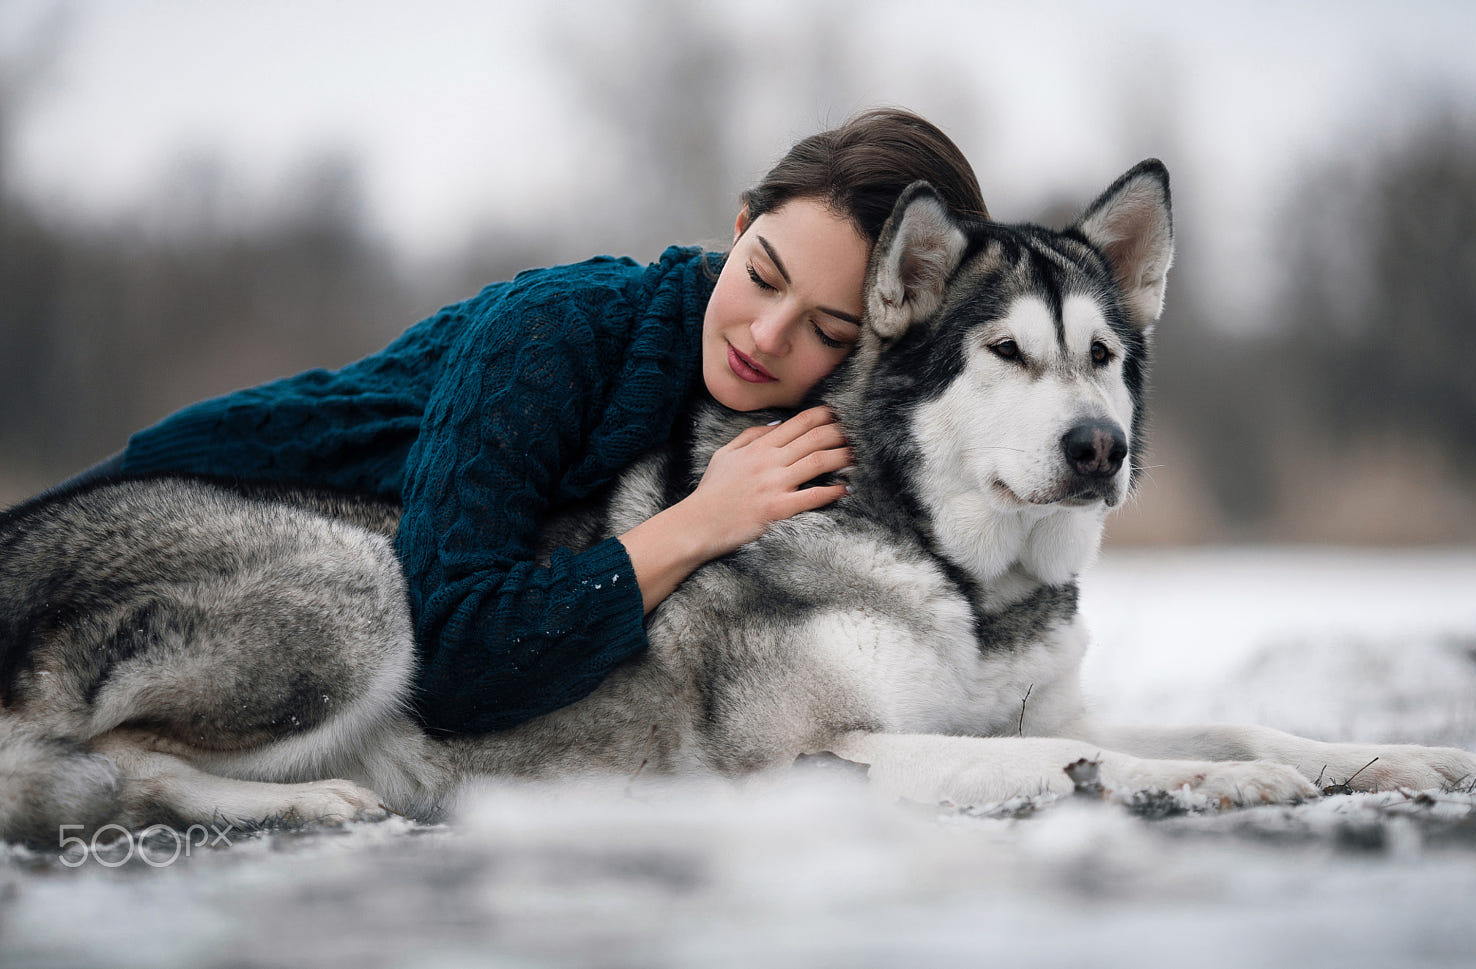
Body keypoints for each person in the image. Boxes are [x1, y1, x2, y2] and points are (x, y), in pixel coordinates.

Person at [98, 108, 990, 734]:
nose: (766, 335)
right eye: (760, 276)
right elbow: (451, 656)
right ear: (740, 223)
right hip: (172, 513)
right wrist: (701, 522)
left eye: (826, 330)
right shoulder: (557, 331)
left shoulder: (808, 417)